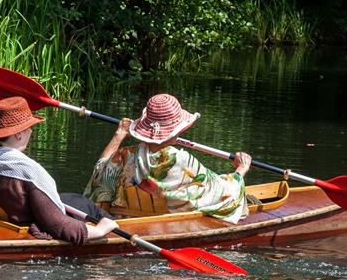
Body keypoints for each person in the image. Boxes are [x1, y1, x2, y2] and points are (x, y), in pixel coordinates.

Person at [0, 96, 118, 243]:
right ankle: (115, 222)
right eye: (29, 127)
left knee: (74, 200)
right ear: (18, 134)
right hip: (20, 233)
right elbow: (57, 226)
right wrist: (100, 231)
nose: (31, 131)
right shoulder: (29, 171)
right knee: (87, 207)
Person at [84, 93, 252, 224]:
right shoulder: (181, 160)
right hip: (163, 223)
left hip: (126, 223)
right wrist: (240, 170)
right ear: (177, 129)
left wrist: (119, 135)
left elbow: (99, 172)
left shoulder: (125, 155)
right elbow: (221, 192)